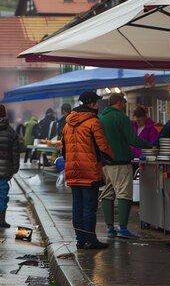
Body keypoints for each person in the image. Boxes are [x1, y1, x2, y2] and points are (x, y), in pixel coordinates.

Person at [61, 91, 114, 249]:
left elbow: (63, 148)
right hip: (89, 171)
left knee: (77, 207)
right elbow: (102, 146)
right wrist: (112, 157)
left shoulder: (67, 123)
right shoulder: (93, 122)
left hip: (72, 172)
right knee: (89, 207)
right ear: (91, 104)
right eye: (96, 102)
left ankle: (80, 239)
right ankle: (91, 240)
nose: (98, 105)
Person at [99, 93, 152, 239]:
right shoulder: (120, 118)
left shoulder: (101, 118)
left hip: (106, 163)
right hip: (120, 162)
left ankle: (110, 228)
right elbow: (133, 139)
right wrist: (151, 146)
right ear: (120, 102)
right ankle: (122, 228)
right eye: (124, 102)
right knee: (124, 193)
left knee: (107, 193)